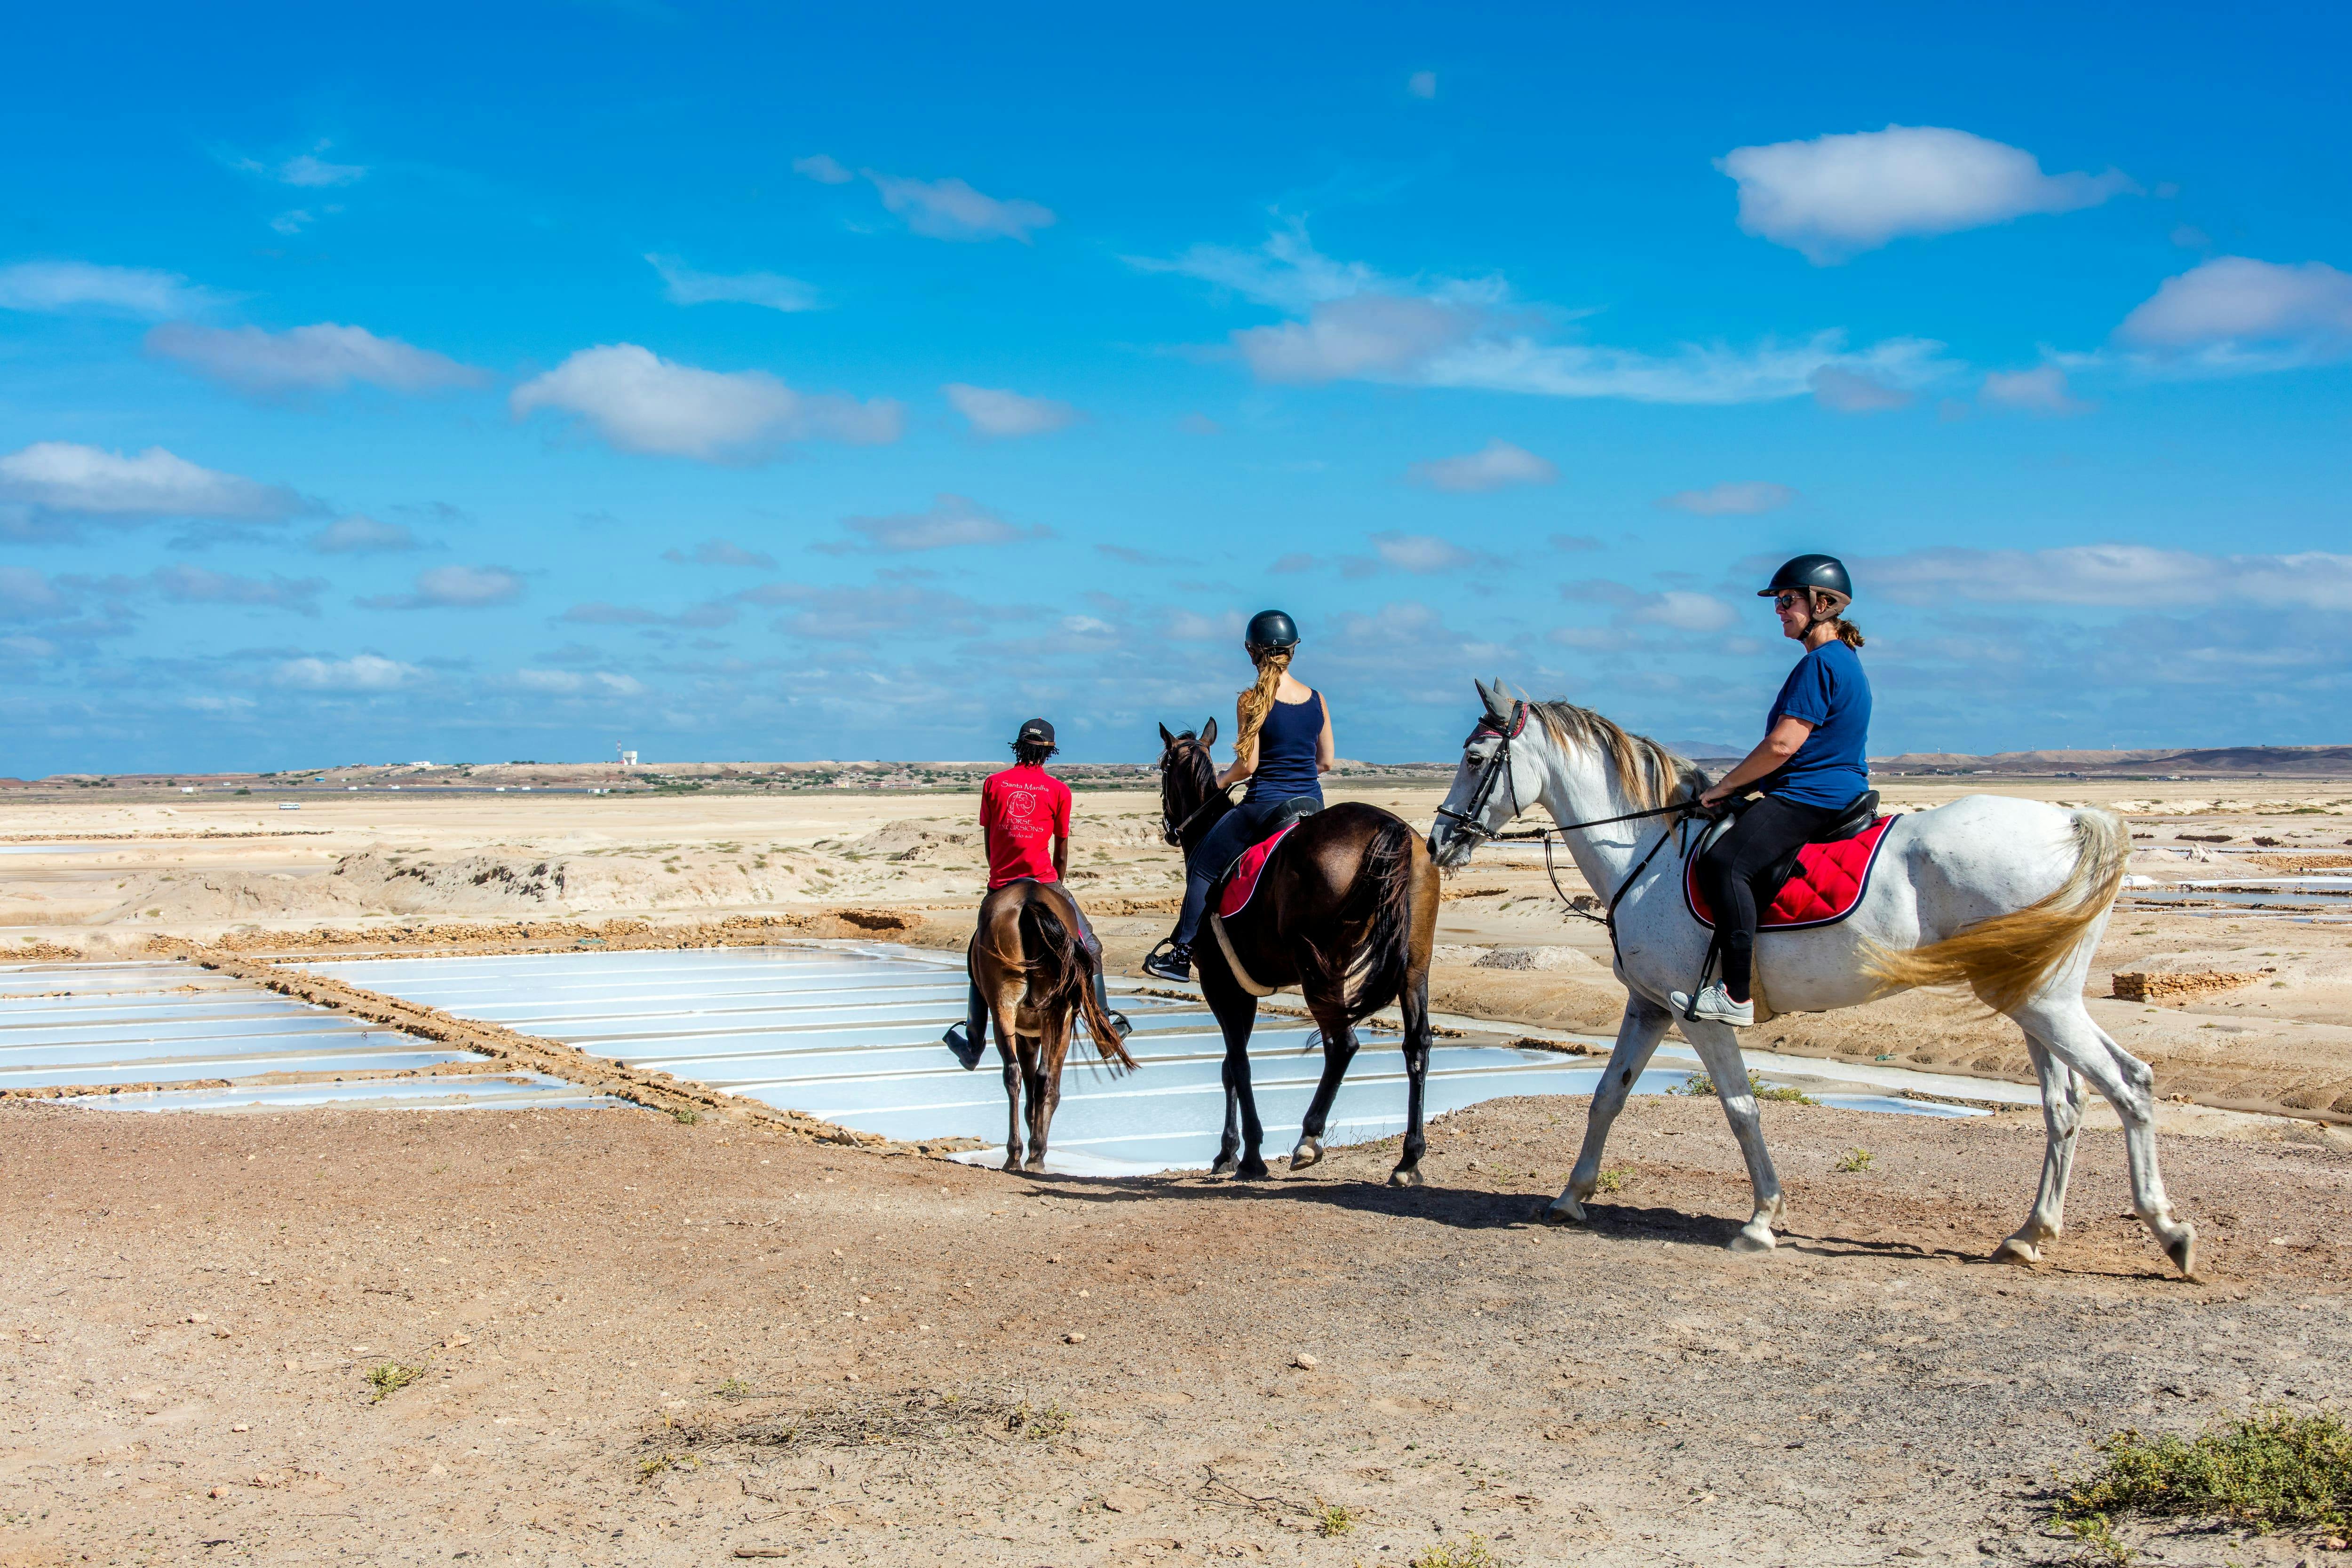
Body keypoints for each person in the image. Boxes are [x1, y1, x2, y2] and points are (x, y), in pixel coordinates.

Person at [1671, 554, 1872, 1029]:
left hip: (1812, 795)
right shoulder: (1841, 660)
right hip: (1829, 791)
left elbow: (1782, 744)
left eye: (1787, 600)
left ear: (1821, 604)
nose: (1778, 610)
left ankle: (1736, 994)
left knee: (1724, 861)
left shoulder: (1819, 664)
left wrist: (1723, 786)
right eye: (1777, 602)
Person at [1142, 610, 1336, 982]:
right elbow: (1325, 761)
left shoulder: (1250, 700)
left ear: (1252, 653)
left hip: (1266, 805)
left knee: (1202, 865)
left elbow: (1248, 767)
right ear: (1293, 651)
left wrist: (1218, 783)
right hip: (1312, 804)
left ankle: (1181, 954)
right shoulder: (1318, 699)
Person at [943, 718, 1130, 1069]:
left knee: (977, 958)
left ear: (1018, 747)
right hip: (1045, 882)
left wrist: (999, 875)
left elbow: (989, 842)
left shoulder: (994, 784)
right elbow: (1061, 852)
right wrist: (1055, 886)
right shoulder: (1059, 790)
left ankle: (973, 1043)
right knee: (1091, 948)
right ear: (1049, 753)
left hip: (1000, 884)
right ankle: (1105, 1032)